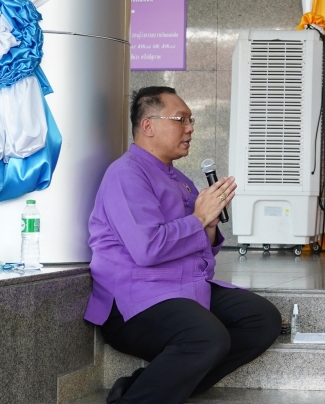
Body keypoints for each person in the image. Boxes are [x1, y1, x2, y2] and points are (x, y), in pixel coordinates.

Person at [84, 86, 281, 404]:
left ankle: (145, 386)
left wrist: (211, 225)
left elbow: (201, 248)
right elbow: (147, 249)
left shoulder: (181, 179)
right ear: (148, 126)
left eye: (191, 121)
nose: (190, 128)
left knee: (261, 319)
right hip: (134, 301)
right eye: (181, 119)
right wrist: (199, 218)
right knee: (206, 337)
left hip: (182, 289)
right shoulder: (126, 174)